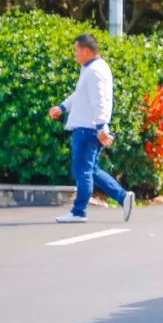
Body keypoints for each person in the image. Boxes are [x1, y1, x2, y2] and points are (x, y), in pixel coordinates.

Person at [49, 34, 135, 223]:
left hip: (87, 128)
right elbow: (80, 95)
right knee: (91, 170)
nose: (75, 54)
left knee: (83, 171)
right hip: (88, 126)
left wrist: (101, 127)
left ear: (87, 51)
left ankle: (78, 212)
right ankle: (123, 197)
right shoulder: (91, 68)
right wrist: (62, 107)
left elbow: (100, 101)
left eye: (77, 50)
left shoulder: (95, 71)